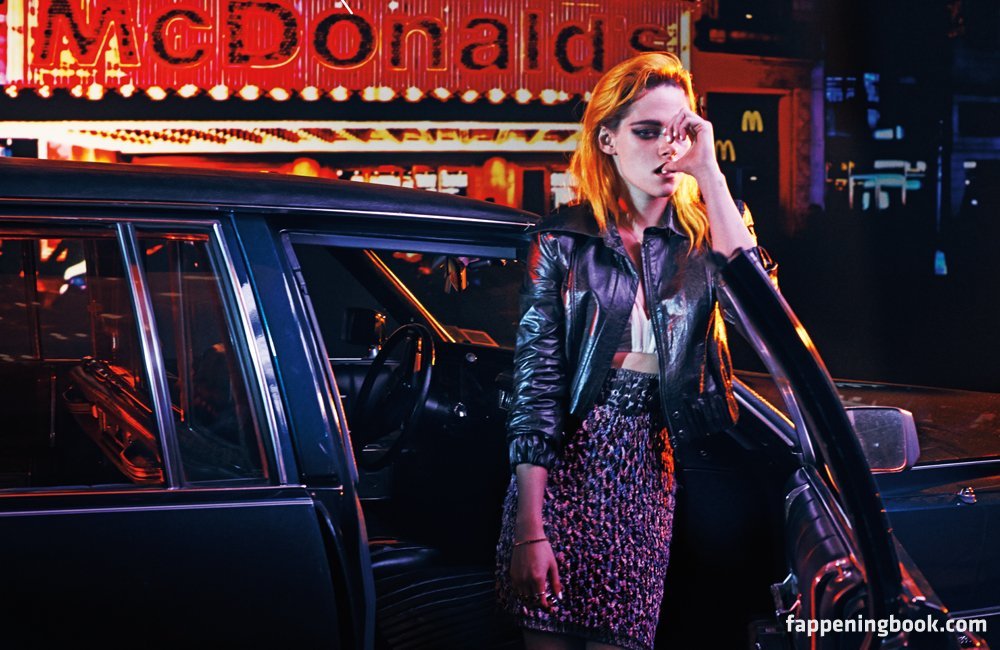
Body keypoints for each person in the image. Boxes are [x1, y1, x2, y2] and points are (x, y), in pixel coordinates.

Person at [494, 51, 777, 650]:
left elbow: (765, 320)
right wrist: (528, 527)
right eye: (647, 132)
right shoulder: (561, 241)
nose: (667, 149)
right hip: (558, 474)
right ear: (608, 140)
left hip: (647, 470)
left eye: (681, 132)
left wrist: (711, 173)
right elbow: (537, 384)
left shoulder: (712, 231)